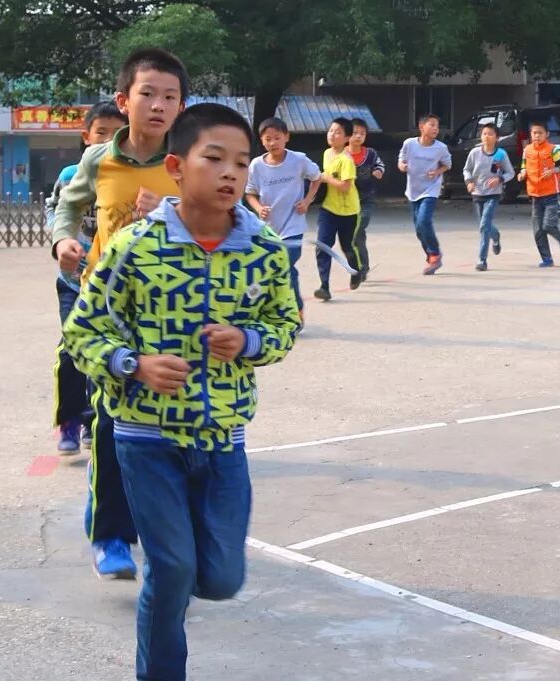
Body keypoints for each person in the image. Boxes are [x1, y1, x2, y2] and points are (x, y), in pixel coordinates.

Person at [63, 102, 299, 681]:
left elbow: (286, 325)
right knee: (171, 572)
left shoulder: (264, 250)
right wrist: (132, 364)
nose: (229, 174)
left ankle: (187, 563)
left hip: (223, 440)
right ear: (176, 167)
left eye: (240, 163)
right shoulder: (134, 247)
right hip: (146, 439)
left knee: (220, 579)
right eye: (213, 159)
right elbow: (82, 331)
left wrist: (248, 340)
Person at [51, 47, 188, 581]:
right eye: (147, 94)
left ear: (181, 106)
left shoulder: (189, 159)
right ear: (123, 100)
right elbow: (68, 205)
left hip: (172, 311)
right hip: (108, 311)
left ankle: (167, 530)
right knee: (110, 425)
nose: (158, 105)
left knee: (168, 429)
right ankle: (110, 535)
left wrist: (172, 212)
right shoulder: (97, 159)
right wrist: (63, 239)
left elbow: (223, 216)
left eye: (169, 97)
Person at [46, 101, 127, 455]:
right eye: (101, 133)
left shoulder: (129, 171)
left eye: (116, 133)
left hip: (113, 284)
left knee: (106, 353)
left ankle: (94, 419)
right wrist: (62, 241)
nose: (108, 140)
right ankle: (69, 420)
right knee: (72, 351)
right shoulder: (70, 175)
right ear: (85, 136)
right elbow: (56, 209)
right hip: (74, 280)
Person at [245, 117, 321, 327]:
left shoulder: (299, 160)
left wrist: (307, 201)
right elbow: (250, 193)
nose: (273, 143)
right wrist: (258, 208)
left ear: (287, 137)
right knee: (281, 271)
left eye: (277, 137)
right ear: (262, 141)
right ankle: (278, 311)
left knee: (282, 265)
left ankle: (295, 312)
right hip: (268, 231)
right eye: (268, 139)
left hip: (292, 228)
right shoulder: (256, 165)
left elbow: (317, 178)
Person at [314, 117, 362, 300]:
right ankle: (324, 286)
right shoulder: (327, 153)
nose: (332, 135)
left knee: (347, 246)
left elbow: (345, 186)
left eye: (338, 132)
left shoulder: (346, 160)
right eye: (331, 130)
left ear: (347, 138)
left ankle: (355, 270)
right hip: (329, 209)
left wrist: (326, 178)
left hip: (348, 211)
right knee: (323, 246)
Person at [398, 114, 451, 275]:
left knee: (423, 221)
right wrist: (402, 166)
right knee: (419, 230)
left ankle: (435, 253)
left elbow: (447, 164)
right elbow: (401, 160)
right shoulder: (409, 144)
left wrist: (437, 172)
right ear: (422, 127)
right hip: (413, 191)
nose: (435, 128)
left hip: (431, 190)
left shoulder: (441, 148)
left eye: (437, 126)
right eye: (432, 125)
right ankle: (431, 256)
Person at [462, 123, 515, 270]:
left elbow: (510, 173)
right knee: (483, 224)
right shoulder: (474, 153)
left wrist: (500, 179)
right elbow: (467, 169)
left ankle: (482, 260)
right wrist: (469, 181)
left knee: (484, 225)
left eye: (490, 134)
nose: (487, 137)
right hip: (477, 193)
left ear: (497, 138)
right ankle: (496, 236)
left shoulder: (501, 154)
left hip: (493, 194)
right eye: (484, 133)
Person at [517, 122, 560, 267]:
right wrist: (522, 173)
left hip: (551, 194)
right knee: (538, 230)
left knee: (548, 225)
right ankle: (547, 259)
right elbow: (524, 165)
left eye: (540, 133)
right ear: (530, 134)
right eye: (534, 133)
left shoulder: (553, 150)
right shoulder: (527, 150)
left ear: (547, 134)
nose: (537, 136)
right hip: (534, 195)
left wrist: (554, 170)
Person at [349, 118, 385, 282]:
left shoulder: (370, 154)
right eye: (355, 133)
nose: (358, 136)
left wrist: (378, 171)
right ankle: (363, 266)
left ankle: (361, 268)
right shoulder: (341, 154)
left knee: (357, 229)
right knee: (358, 236)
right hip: (348, 202)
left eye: (362, 133)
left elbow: (380, 165)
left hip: (366, 199)